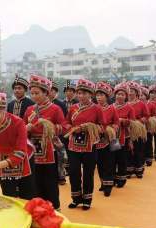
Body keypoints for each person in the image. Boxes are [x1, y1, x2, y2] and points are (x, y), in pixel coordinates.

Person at [24, 74, 67, 210]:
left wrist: (49, 126)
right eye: (32, 93)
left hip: (49, 150)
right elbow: (22, 129)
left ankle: (55, 209)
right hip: (33, 150)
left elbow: (64, 127)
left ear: (46, 93)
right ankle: (40, 209)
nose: (34, 96)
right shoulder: (30, 110)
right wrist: (27, 128)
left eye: (37, 93)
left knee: (50, 181)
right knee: (35, 181)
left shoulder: (55, 109)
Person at [66, 79, 105, 210]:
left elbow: (102, 127)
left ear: (90, 94)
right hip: (73, 146)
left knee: (88, 172)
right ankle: (76, 198)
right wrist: (71, 128)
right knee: (74, 172)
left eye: (84, 93)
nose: (81, 96)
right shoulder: (72, 108)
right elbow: (66, 124)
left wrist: (87, 127)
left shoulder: (97, 109)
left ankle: (87, 199)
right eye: (79, 93)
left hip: (89, 146)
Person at [95, 81, 119, 197]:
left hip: (110, 140)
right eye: (97, 95)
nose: (99, 97)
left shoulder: (112, 109)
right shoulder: (94, 109)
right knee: (99, 163)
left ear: (107, 97)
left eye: (102, 95)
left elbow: (116, 123)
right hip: (97, 140)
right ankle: (103, 183)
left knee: (109, 162)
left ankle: (108, 185)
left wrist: (110, 129)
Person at [113, 82, 135, 188]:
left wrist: (123, 121)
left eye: (122, 94)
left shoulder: (129, 108)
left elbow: (132, 122)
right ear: (115, 95)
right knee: (113, 158)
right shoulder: (111, 107)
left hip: (124, 137)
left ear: (126, 96)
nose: (120, 96)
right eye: (118, 94)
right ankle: (113, 178)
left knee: (122, 158)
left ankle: (121, 179)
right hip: (113, 137)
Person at [127, 81, 149, 178]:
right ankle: (129, 169)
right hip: (127, 130)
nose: (130, 93)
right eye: (129, 91)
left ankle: (139, 170)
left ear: (136, 93)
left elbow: (146, 116)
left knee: (138, 149)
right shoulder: (125, 104)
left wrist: (138, 123)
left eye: (132, 91)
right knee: (128, 150)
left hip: (138, 130)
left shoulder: (141, 104)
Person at [48, 78, 68, 185]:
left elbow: (64, 121)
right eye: (49, 90)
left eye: (53, 90)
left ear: (55, 92)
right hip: (45, 137)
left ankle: (61, 176)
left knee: (59, 157)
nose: (50, 92)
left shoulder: (60, 104)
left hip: (57, 135)